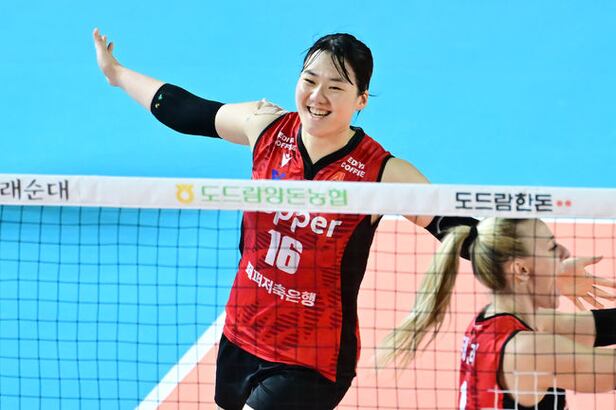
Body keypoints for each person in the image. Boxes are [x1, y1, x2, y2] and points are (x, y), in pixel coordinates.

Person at [93, 29, 605, 409]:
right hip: (241, 336)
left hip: (313, 358)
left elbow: (459, 231)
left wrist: (542, 272)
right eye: (309, 80)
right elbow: (184, 110)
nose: (317, 97)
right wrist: (118, 75)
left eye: (336, 87)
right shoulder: (265, 129)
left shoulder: (381, 173)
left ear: (360, 101)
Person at [380, 218, 616, 409]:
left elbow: (603, 326)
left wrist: (548, 276)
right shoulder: (528, 350)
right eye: (552, 248)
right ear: (521, 270)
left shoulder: (495, 321)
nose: (565, 253)